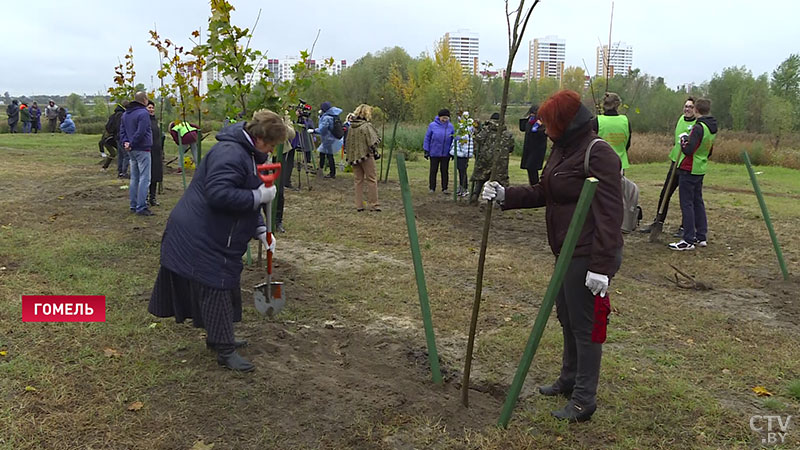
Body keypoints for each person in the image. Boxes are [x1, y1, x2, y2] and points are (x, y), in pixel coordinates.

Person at [482, 90, 623, 423]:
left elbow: (609, 214)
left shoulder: (598, 153)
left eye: (548, 122)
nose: (543, 129)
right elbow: (546, 191)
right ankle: (569, 378)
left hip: (587, 253)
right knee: (567, 318)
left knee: (586, 327)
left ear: (565, 121)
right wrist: (506, 195)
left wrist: (600, 267)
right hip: (564, 250)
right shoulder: (561, 149)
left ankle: (583, 399)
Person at [148, 109, 286, 372]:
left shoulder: (245, 153)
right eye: (270, 144)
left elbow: (243, 191)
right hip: (198, 232)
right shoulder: (231, 154)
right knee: (216, 283)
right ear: (258, 138)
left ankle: (220, 337)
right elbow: (219, 194)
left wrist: (260, 229)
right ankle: (223, 350)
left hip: (213, 230)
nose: (270, 150)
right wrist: (258, 197)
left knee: (221, 282)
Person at [640, 97, 696, 234]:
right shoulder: (681, 119)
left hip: (687, 165)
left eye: (690, 107)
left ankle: (685, 227)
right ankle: (658, 221)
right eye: (686, 106)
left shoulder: (697, 125)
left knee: (686, 198)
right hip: (675, 162)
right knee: (665, 193)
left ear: (696, 109)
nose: (687, 109)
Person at [669, 98, 717, 251]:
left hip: (689, 168)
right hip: (700, 167)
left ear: (696, 110)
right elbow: (709, 150)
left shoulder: (698, 127)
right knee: (698, 202)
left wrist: (683, 139)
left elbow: (688, 149)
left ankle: (688, 239)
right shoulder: (712, 127)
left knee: (687, 203)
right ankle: (701, 236)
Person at [119, 91, 153, 216]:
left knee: (134, 177)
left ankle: (133, 204)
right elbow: (141, 131)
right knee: (145, 178)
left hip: (131, 150)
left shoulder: (126, 113)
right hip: (142, 148)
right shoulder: (143, 113)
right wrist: (132, 143)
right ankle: (141, 206)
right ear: (144, 100)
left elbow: (122, 131)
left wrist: (126, 143)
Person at [469, 112, 514, 203]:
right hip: (501, 160)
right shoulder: (507, 133)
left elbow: (479, 139)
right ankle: (500, 201)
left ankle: (475, 195)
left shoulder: (486, 129)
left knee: (481, 177)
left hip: (486, 157)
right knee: (500, 179)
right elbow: (511, 147)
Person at [345, 104, 381, 211]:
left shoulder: (351, 127)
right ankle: (373, 204)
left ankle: (359, 205)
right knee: (372, 179)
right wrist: (375, 152)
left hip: (354, 157)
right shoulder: (366, 126)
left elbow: (348, 142)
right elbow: (373, 142)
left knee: (358, 181)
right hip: (366, 156)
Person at [593, 92, 631, 171]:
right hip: (620, 163)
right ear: (618, 105)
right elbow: (627, 144)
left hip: (600, 163)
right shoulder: (625, 121)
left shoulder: (597, 121)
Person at [423, 109, 455, 193]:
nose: (445, 120)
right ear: (439, 117)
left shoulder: (451, 126)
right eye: (443, 118)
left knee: (444, 171)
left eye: (446, 118)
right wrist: (426, 150)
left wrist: (453, 151)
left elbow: (454, 139)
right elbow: (427, 138)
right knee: (433, 170)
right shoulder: (432, 125)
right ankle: (432, 188)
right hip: (434, 152)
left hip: (446, 153)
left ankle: (445, 188)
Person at [309, 101, 342, 179]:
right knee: (323, 154)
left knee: (329, 156)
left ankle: (332, 173)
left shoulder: (327, 118)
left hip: (328, 139)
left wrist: (313, 131)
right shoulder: (333, 115)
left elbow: (322, 129)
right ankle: (320, 170)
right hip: (330, 138)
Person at [519, 104, 547, 185]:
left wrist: (538, 126)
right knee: (529, 168)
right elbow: (522, 128)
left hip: (537, 150)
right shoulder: (530, 121)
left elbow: (543, 133)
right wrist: (528, 119)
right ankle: (534, 185)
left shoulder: (542, 123)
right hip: (529, 149)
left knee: (532, 168)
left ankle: (535, 185)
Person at [450, 111, 475, 197]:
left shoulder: (468, 127)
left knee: (462, 171)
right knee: (460, 170)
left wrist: (459, 138)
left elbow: (465, 139)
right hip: (459, 152)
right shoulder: (461, 127)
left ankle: (464, 188)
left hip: (464, 153)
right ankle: (461, 187)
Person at [146, 101, 164, 207]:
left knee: (155, 175)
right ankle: (145, 197)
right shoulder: (145, 121)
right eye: (149, 107)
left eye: (152, 107)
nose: (151, 109)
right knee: (147, 175)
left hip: (156, 152)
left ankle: (153, 197)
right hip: (148, 150)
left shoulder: (154, 120)